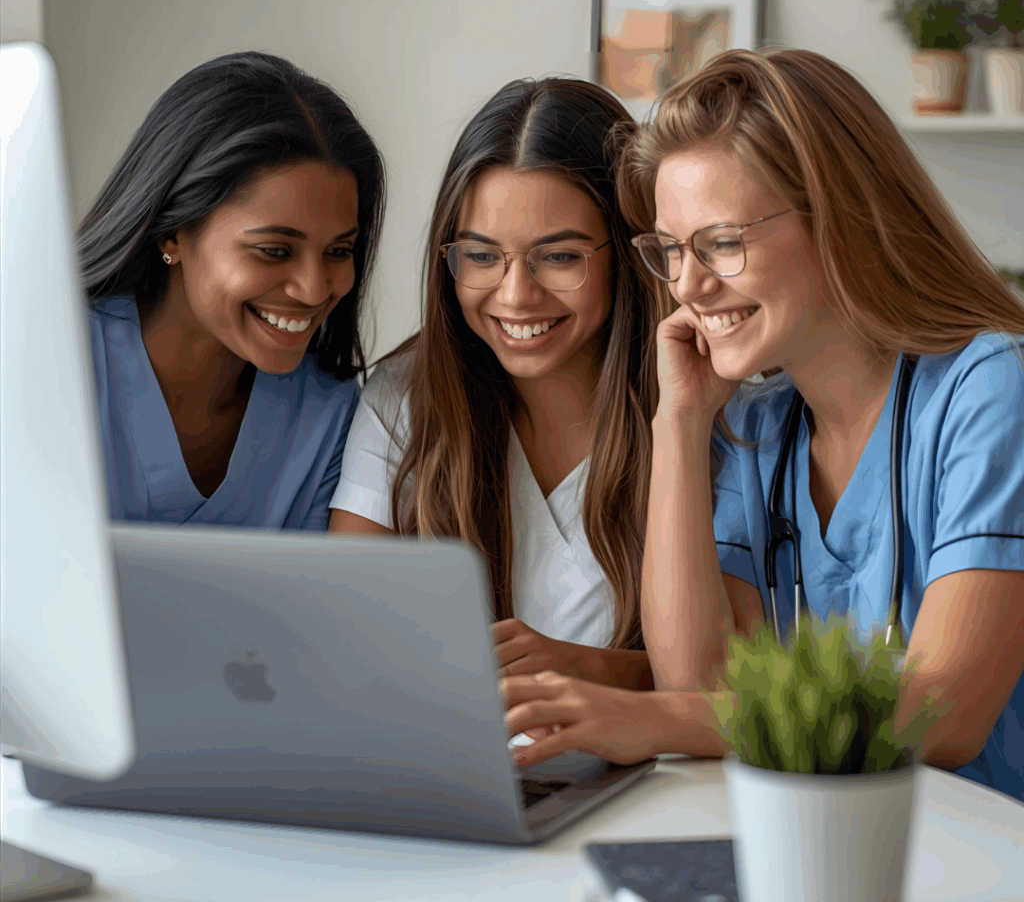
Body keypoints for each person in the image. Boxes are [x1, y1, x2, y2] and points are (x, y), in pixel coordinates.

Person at [501, 48, 1024, 802]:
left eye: (720, 243)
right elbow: (699, 680)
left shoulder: (991, 385)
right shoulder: (756, 429)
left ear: (840, 217)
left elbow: (945, 714)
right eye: (671, 251)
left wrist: (650, 721)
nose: (687, 283)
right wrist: (679, 421)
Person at [329, 78, 665, 688]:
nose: (516, 296)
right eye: (482, 257)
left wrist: (579, 668)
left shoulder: (705, 411)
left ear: (626, 251)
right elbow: (348, 642)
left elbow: (719, 683)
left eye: (559, 257)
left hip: (644, 779)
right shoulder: (403, 398)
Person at [78, 51, 385, 530]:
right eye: (274, 251)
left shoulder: (328, 416)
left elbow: (315, 602)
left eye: (338, 251)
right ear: (173, 233)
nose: (313, 289)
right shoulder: (53, 362)